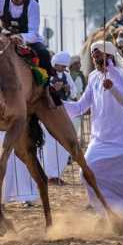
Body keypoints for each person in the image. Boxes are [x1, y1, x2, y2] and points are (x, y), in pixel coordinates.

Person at [65, 41, 123, 214]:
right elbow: (80, 107)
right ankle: (108, 212)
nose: (94, 57)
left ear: (108, 55)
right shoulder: (93, 77)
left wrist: (111, 76)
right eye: (93, 55)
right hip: (100, 140)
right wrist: (58, 104)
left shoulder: (119, 75)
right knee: (86, 173)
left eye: (98, 54)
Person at [42, 52, 77, 185]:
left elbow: (74, 92)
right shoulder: (47, 74)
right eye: (60, 66)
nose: (62, 68)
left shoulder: (67, 76)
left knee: (63, 145)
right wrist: (52, 89)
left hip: (64, 111)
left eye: (64, 66)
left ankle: (57, 174)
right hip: (49, 113)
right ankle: (48, 174)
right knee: (49, 145)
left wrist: (67, 89)